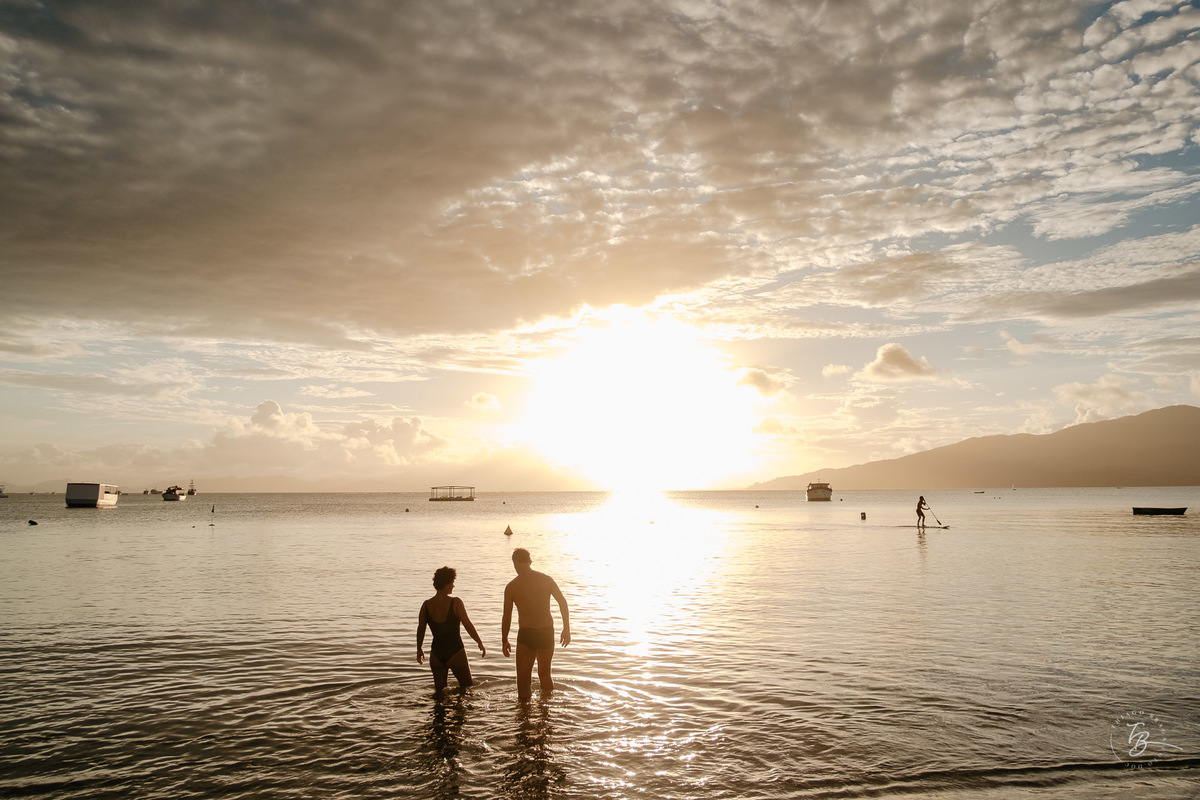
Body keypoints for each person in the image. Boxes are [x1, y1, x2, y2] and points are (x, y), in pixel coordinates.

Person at [502, 548, 570, 700]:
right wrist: (566, 629)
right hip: (546, 632)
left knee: (523, 679)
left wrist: (504, 639)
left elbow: (507, 616)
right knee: (545, 675)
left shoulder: (512, 586)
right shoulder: (546, 580)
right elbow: (563, 603)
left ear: (515, 563)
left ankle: (524, 716)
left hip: (527, 634)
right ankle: (545, 715)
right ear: (529, 562)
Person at [417, 566, 486, 693]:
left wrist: (419, 649)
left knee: (439, 694)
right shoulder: (456, 602)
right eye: (452, 583)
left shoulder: (426, 605)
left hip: (436, 654)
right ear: (446, 584)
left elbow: (421, 629)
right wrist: (479, 642)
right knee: (467, 689)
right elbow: (467, 624)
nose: (453, 586)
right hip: (456, 652)